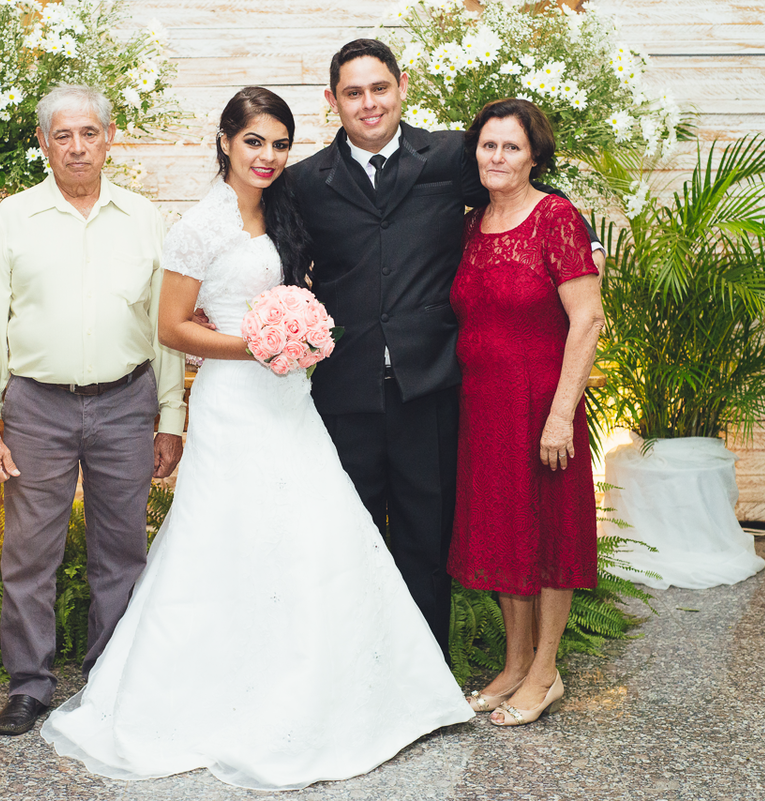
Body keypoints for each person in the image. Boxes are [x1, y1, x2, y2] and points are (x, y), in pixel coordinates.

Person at [40, 87, 473, 791]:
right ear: (225, 143)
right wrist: (257, 345)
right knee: (228, 538)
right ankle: (218, 696)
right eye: (253, 142)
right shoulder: (199, 226)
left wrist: (298, 338)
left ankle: (328, 691)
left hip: (290, 401)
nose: (267, 156)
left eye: (279, 144)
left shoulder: (284, 210)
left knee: (313, 534)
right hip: (234, 403)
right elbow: (171, 326)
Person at [286, 39, 605, 652]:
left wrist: (584, 244)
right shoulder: (305, 182)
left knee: (426, 543)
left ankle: (426, 676)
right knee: (346, 538)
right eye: (353, 93)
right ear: (333, 100)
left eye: (380, 88)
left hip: (430, 388)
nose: (369, 103)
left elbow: (525, 187)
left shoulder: (450, 155)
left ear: (402, 86)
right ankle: (355, 666)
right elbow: (283, 258)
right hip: (344, 390)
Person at [0, 84, 187, 737]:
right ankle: (29, 686)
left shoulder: (144, 218)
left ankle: (110, 681)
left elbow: (164, 326)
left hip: (126, 402)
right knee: (30, 554)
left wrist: (170, 415)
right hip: (37, 407)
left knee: (122, 552)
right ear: (44, 143)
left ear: (110, 137)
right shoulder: (13, 219)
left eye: (89, 133)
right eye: (63, 135)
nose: (78, 146)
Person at [448, 98, 605, 726]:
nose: (497, 157)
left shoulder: (556, 218)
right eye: (488, 145)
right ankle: (514, 665)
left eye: (511, 147)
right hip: (484, 407)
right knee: (506, 533)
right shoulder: (470, 225)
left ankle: (545, 673)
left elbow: (588, 319)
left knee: (550, 533)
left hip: (542, 403)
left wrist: (562, 414)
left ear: (534, 156)